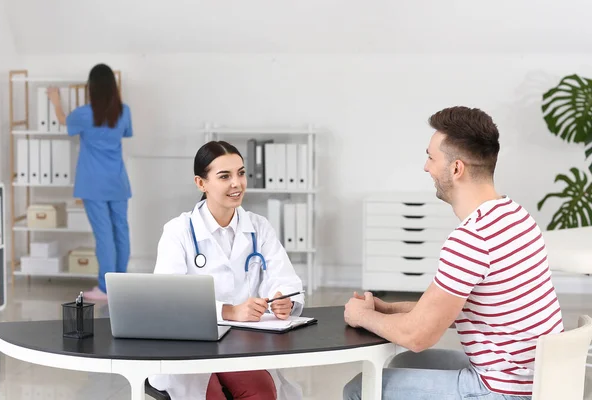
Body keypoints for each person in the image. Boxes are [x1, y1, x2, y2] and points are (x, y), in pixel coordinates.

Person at [343, 106, 564, 400]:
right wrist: (388, 310)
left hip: (502, 391)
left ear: (456, 168)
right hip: (534, 380)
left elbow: (419, 336)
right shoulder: (515, 216)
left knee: (360, 389)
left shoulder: (472, 239)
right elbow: (450, 309)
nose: (426, 167)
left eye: (431, 158)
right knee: (405, 362)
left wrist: (360, 316)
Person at [149, 141, 305, 400]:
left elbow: (285, 279)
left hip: (243, 342)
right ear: (201, 183)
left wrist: (283, 301)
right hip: (192, 346)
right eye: (225, 176)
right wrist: (229, 311)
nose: (237, 183)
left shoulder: (259, 227)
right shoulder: (178, 231)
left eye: (241, 173)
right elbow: (168, 301)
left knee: (262, 392)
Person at [47, 63, 133, 301]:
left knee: (104, 235)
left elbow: (64, 120)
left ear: (91, 88)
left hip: (93, 182)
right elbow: (126, 133)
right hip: (117, 181)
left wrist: (55, 100)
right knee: (121, 231)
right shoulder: (123, 111)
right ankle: (121, 283)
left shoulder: (84, 114)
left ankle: (106, 289)